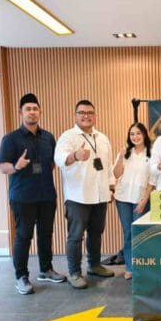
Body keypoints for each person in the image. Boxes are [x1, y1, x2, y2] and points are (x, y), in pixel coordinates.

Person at [0, 93, 65, 295]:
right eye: (28, 109)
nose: (32, 112)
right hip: (22, 197)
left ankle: (46, 269)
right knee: (24, 236)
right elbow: (2, 166)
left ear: (40, 112)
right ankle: (21, 276)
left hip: (46, 195)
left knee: (46, 234)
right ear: (21, 112)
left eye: (35, 109)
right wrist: (16, 166)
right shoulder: (10, 139)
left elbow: (52, 164)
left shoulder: (48, 137)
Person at [54, 100, 115, 289]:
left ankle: (94, 265)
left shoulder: (102, 138)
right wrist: (75, 156)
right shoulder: (68, 137)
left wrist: (111, 186)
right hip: (78, 196)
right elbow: (59, 159)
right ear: (75, 115)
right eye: (82, 112)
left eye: (90, 112)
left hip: (100, 195)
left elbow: (108, 165)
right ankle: (74, 273)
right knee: (76, 236)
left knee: (96, 232)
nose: (86, 116)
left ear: (95, 116)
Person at [113, 123, 156, 280]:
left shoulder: (151, 154)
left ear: (144, 135)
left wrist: (145, 200)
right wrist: (120, 157)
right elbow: (116, 174)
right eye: (132, 134)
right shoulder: (126, 153)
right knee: (128, 233)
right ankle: (130, 267)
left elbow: (152, 180)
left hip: (141, 200)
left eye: (138, 133)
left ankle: (142, 267)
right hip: (123, 198)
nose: (135, 137)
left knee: (140, 233)